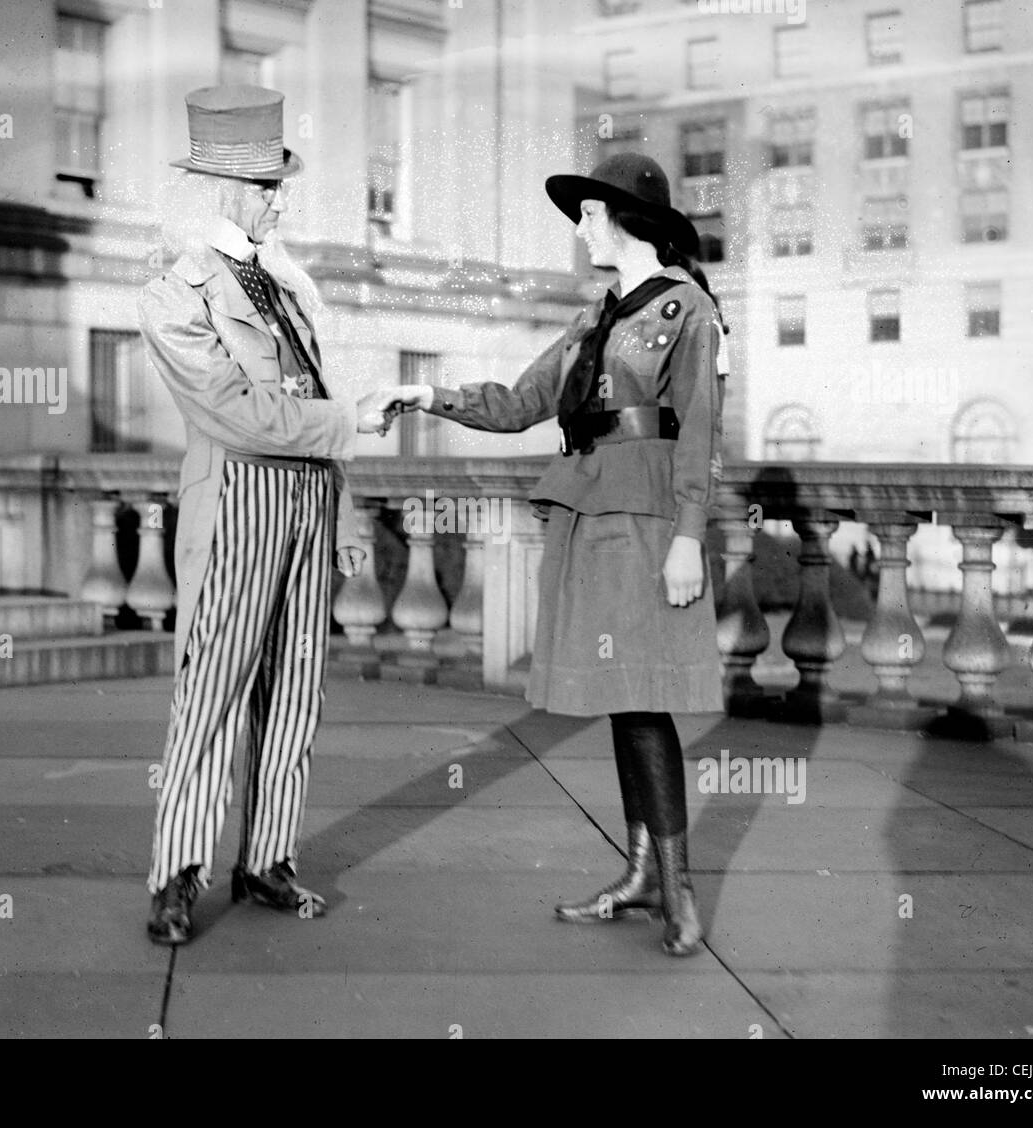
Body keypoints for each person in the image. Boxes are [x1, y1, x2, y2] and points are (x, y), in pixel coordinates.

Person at [383, 153, 725, 957]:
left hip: (644, 520)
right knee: (619, 692)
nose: (580, 229)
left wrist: (688, 537)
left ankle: (679, 895)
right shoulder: (593, 320)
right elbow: (518, 405)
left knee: (642, 703)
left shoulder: (688, 312)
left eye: (589, 215)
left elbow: (702, 432)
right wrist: (428, 396)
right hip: (589, 511)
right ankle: (642, 874)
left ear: (622, 220)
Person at [139, 85, 396, 944]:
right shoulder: (176, 296)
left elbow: (309, 401)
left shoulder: (290, 285)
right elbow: (234, 413)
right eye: (260, 185)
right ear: (214, 187)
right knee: (212, 688)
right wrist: (347, 422)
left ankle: (268, 858)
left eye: (277, 182)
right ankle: (178, 873)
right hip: (239, 499)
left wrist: (345, 516)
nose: (275, 198)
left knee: (294, 691)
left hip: (308, 504)